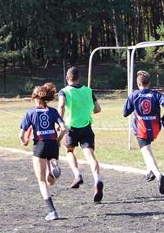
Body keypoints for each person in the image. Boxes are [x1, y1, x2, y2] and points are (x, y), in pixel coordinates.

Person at [19, 82, 67, 221]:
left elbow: (21, 134)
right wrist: (58, 140)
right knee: (50, 181)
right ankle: (53, 170)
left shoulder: (30, 112)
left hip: (39, 145)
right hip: (52, 144)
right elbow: (64, 128)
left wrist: (24, 141)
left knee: (41, 181)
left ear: (34, 98)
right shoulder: (53, 111)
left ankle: (52, 211)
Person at [58, 66, 104, 203]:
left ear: (67, 78)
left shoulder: (64, 91)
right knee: (90, 156)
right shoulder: (88, 90)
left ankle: (77, 174)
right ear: (79, 78)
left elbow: (61, 106)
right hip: (86, 127)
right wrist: (87, 112)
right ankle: (97, 179)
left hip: (71, 128)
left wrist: (59, 121)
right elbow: (98, 109)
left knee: (69, 151)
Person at [123, 70, 164, 195]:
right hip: (155, 128)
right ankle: (150, 171)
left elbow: (125, 113)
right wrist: (163, 119)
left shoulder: (134, 95)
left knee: (146, 153)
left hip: (142, 128)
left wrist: (133, 106)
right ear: (149, 83)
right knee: (148, 149)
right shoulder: (156, 94)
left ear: (138, 83)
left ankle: (159, 175)